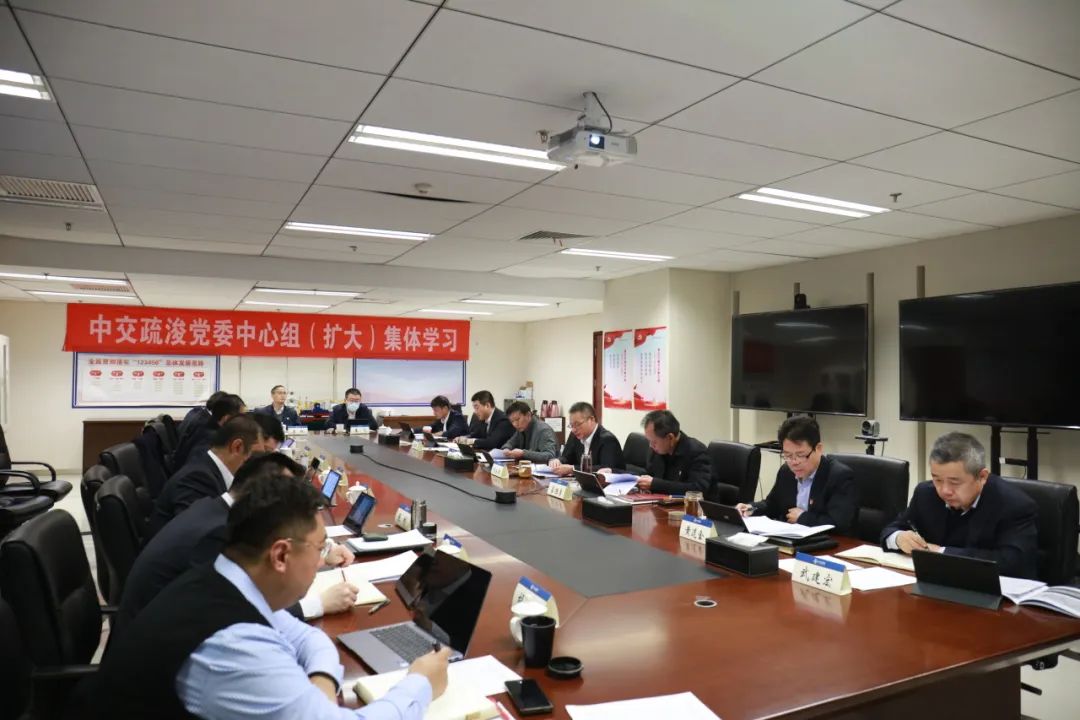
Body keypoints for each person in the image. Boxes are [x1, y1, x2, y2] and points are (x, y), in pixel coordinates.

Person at [88, 470, 449, 719]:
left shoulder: (224, 577)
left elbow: (307, 638)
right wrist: (420, 684)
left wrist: (321, 684)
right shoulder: (232, 643)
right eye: (320, 548)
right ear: (280, 555)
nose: (323, 560)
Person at [116, 453, 358, 637]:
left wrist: (317, 551)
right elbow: (235, 613)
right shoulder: (216, 534)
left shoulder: (214, 510)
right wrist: (318, 604)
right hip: (156, 657)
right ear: (264, 494)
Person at [880, 432, 1038, 578]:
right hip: (935, 584)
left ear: (982, 477)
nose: (945, 490)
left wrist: (940, 552)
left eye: (954, 482)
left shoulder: (1013, 505)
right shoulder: (926, 494)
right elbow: (891, 529)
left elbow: (1012, 563)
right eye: (937, 479)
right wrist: (899, 538)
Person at [736, 416, 857, 534]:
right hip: (789, 539)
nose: (794, 462)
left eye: (801, 455)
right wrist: (751, 508)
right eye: (788, 455)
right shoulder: (786, 471)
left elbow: (839, 524)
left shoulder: (839, 476)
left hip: (826, 542)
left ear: (818, 449)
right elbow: (772, 504)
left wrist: (802, 517)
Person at [148, 415, 264, 537]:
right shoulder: (197, 478)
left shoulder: (209, 469)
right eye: (255, 456)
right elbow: (198, 536)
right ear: (237, 447)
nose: (259, 464)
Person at [635, 410, 712, 495]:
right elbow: (650, 476)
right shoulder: (656, 451)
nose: (651, 445)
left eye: (654, 442)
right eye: (649, 441)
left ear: (670, 438)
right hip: (661, 501)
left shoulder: (696, 451)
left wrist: (656, 484)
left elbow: (698, 489)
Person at [172, 393, 246, 471]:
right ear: (226, 419)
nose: (245, 422)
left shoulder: (206, 426)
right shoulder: (211, 440)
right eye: (242, 418)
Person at [548, 401, 624, 476]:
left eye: (577, 424)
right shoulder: (574, 435)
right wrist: (558, 461)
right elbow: (567, 457)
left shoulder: (608, 440)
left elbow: (607, 470)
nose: (574, 430)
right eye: (571, 425)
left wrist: (573, 469)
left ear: (591, 420)